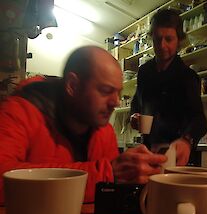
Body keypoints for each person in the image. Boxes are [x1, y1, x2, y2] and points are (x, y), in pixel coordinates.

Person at [0, 46, 167, 204]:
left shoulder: (104, 131)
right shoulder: (19, 111)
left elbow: (110, 195)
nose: (115, 102)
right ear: (73, 85)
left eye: (118, 93)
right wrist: (107, 174)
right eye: (105, 91)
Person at [130, 8, 207, 165]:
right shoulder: (144, 72)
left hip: (177, 156)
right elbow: (136, 103)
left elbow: (199, 120)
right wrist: (134, 117)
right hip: (149, 153)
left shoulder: (188, 76)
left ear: (178, 40)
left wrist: (187, 140)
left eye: (168, 39)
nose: (162, 45)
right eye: (157, 39)